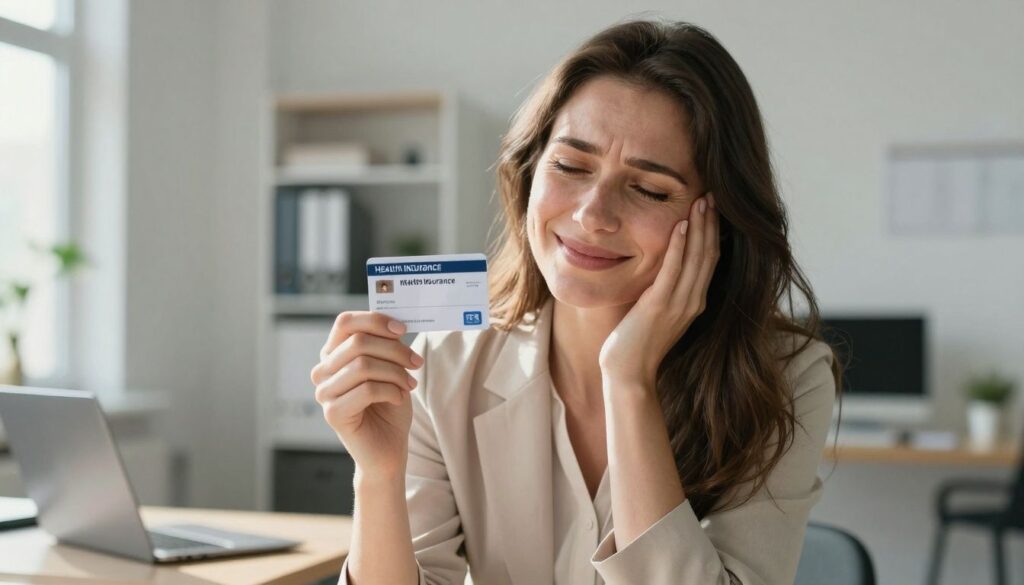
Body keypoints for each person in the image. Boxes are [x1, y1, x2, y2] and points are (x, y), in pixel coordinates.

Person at [311, 18, 842, 585]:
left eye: (648, 188)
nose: (592, 214)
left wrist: (628, 379)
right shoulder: (446, 362)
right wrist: (378, 474)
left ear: (720, 221)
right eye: (570, 165)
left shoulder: (787, 377)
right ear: (530, 171)